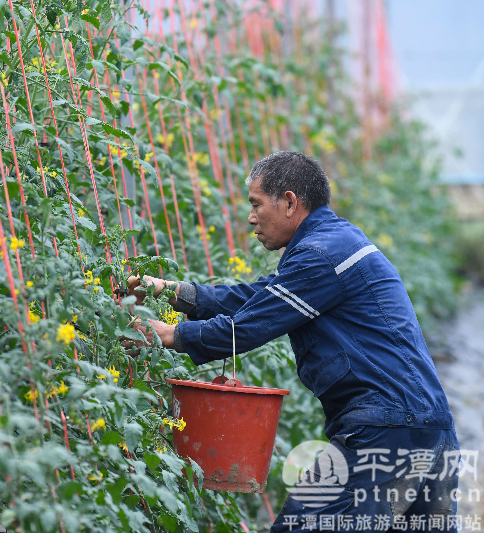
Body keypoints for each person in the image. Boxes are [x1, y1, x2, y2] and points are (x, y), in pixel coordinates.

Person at [124, 151, 460, 532]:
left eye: (256, 204)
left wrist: (166, 334)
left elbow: (247, 327)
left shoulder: (319, 255)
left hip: (387, 432)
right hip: (431, 432)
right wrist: (171, 291)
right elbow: (257, 299)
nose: (251, 217)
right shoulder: (334, 243)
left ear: (288, 202)